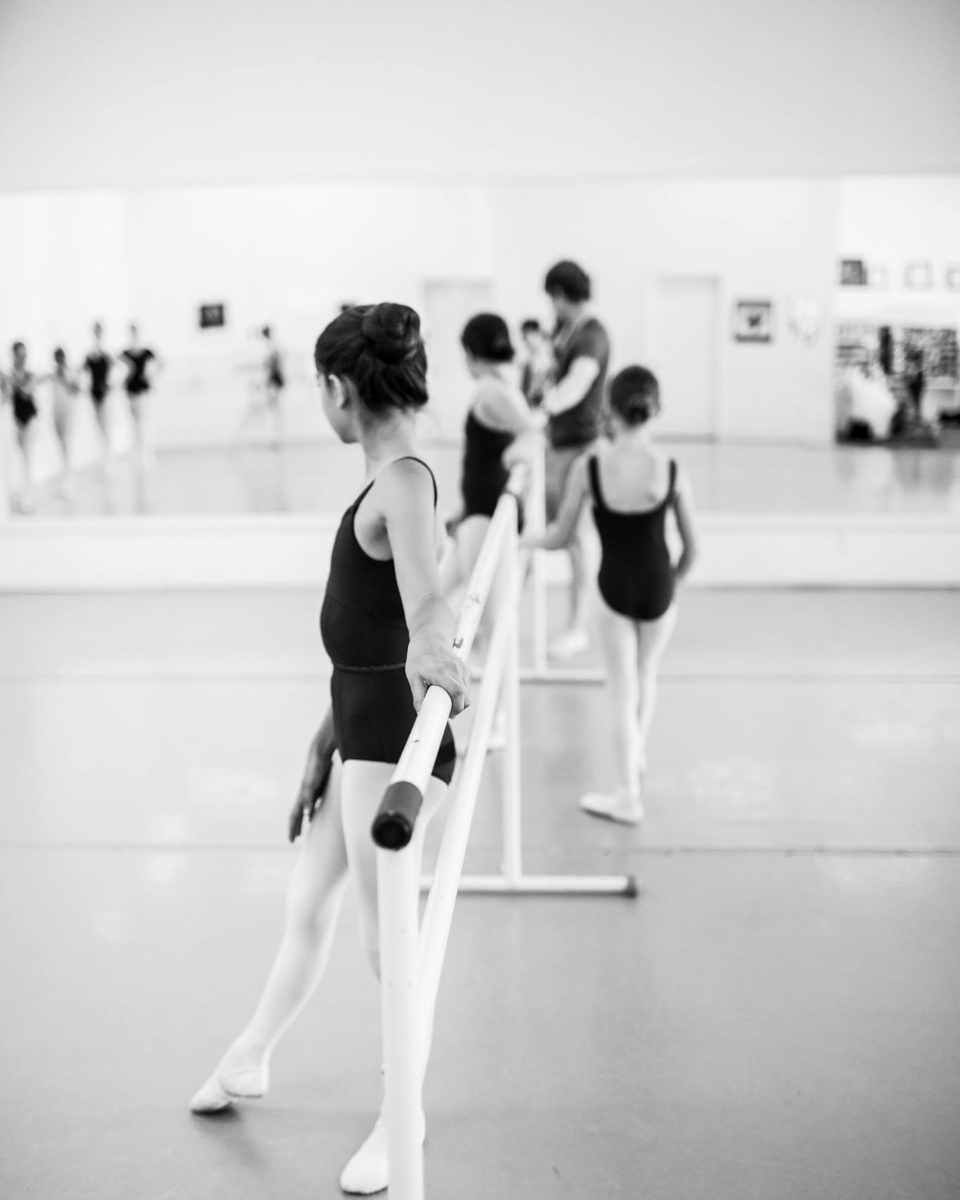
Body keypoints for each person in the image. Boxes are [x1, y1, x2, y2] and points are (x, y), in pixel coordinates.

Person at [189, 303, 469, 1197]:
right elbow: (368, 634)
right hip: (360, 728)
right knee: (307, 897)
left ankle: (403, 1120)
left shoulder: (404, 483)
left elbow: (422, 609)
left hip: (394, 740)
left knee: (389, 948)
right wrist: (326, 738)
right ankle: (250, 1055)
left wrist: (434, 646)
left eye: (320, 385)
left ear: (340, 389)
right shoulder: (391, 479)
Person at [523, 366, 698, 824]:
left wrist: (525, 540)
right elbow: (693, 549)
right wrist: (671, 589)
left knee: (620, 691)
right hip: (659, 590)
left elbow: (561, 536)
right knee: (647, 677)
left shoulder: (590, 467)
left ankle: (627, 795)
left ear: (608, 410)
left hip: (614, 590)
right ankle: (634, 757)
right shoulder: (672, 468)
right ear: (655, 409)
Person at [539, 260, 611, 659]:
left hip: (581, 447)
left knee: (579, 540)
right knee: (567, 539)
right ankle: (577, 625)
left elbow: (577, 384)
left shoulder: (592, 335)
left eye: (553, 298)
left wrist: (542, 409)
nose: (552, 306)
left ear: (561, 294)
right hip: (563, 446)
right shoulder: (569, 332)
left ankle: (579, 628)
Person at [0, 341, 40, 513]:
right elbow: (7, 396)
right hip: (16, 420)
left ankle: (28, 497)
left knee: (27, 457)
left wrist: (11, 380)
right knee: (18, 458)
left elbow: (26, 391)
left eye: (24, 354)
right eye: (19, 354)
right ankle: (20, 495)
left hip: (30, 419)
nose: (22, 358)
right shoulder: (9, 375)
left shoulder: (29, 374)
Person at [119, 324, 162, 465]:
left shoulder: (146, 351)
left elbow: (161, 364)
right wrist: (125, 378)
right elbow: (118, 368)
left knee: (143, 422)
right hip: (130, 391)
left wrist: (151, 376)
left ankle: (147, 453)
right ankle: (138, 452)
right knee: (134, 423)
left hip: (143, 391)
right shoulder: (125, 353)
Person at [80, 321, 114, 469]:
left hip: (105, 394)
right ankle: (104, 459)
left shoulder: (107, 354)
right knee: (99, 427)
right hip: (94, 394)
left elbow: (120, 368)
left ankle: (109, 460)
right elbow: (81, 371)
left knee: (106, 426)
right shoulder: (90, 354)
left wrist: (112, 385)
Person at [47, 348, 81, 495]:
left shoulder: (71, 372)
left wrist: (66, 379)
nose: (59, 360)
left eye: (61, 357)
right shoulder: (52, 373)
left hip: (68, 411)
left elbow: (77, 390)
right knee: (60, 443)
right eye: (57, 358)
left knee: (67, 443)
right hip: (56, 411)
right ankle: (64, 475)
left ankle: (69, 479)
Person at [518, 317, 554, 408]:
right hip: (531, 404)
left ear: (536, 333)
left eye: (525, 336)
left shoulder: (546, 357)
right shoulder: (529, 360)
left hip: (541, 405)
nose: (524, 340)